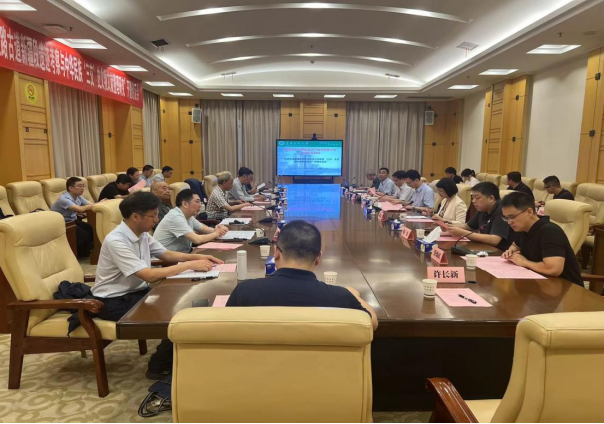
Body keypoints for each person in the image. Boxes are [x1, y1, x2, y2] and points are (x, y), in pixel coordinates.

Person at [91, 192, 224, 380]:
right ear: (135, 217)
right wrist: (189, 265)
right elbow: (148, 274)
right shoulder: (116, 241)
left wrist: (197, 256)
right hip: (113, 301)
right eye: (153, 215)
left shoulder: (142, 234)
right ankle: (158, 365)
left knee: (185, 304)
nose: (156, 219)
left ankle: (175, 356)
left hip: (137, 292)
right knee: (175, 314)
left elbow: (166, 254)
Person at [226, 220, 378, 331]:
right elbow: (370, 322)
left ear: (276, 253)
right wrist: (353, 294)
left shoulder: (245, 291)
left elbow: (224, 327)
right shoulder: (340, 297)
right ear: (318, 258)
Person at [501, 192, 584, 287]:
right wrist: (511, 251)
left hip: (565, 288)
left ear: (529, 212)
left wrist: (524, 262)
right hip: (539, 283)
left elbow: (553, 269)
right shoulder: (523, 228)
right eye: (506, 218)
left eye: (512, 217)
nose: (509, 222)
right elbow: (515, 245)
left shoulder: (549, 232)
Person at [154, 189, 229, 253]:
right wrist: (216, 233)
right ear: (185, 204)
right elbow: (197, 239)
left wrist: (218, 230)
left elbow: (203, 228)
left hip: (182, 255)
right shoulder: (175, 217)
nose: (200, 205)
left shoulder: (188, 216)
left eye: (200, 202)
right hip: (165, 262)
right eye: (197, 202)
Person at [448, 182, 514, 251]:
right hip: (485, 248)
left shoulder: (502, 210)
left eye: (477, 198)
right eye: (472, 198)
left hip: (500, 252)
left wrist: (463, 233)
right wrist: (448, 226)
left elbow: (495, 240)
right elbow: (467, 226)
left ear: (491, 198)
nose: (473, 201)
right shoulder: (483, 209)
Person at [51, 177, 96, 257]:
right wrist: (94, 205)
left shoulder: (78, 196)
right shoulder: (64, 199)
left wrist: (99, 204)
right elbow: (80, 209)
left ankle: (89, 251)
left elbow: (90, 204)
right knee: (84, 235)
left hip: (73, 220)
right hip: (62, 224)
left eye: (83, 186)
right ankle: (80, 254)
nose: (82, 188)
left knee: (90, 228)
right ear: (71, 188)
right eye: (80, 186)